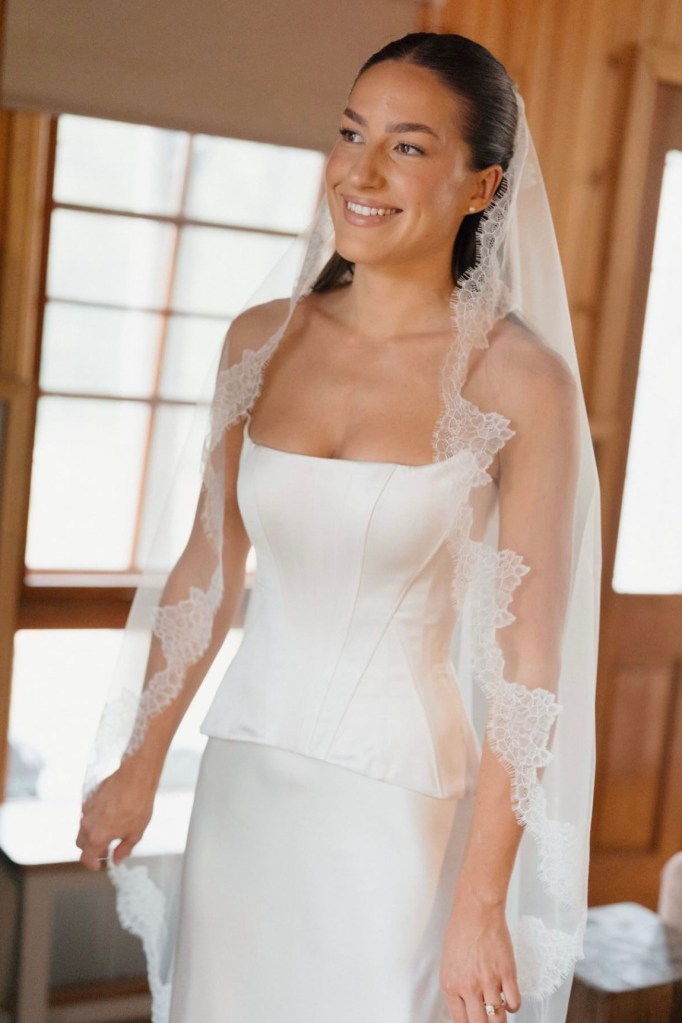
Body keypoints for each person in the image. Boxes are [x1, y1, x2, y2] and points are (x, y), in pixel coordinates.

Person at [76, 32, 600, 1023]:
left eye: (407, 147)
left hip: (397, 802)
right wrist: (139, 763)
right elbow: (207, 569)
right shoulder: (261, 339)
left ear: (482, 187)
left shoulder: (520, 380)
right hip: (243, 779)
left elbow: (528, 663)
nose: (360, 173)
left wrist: (480, 903)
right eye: (352, 133)